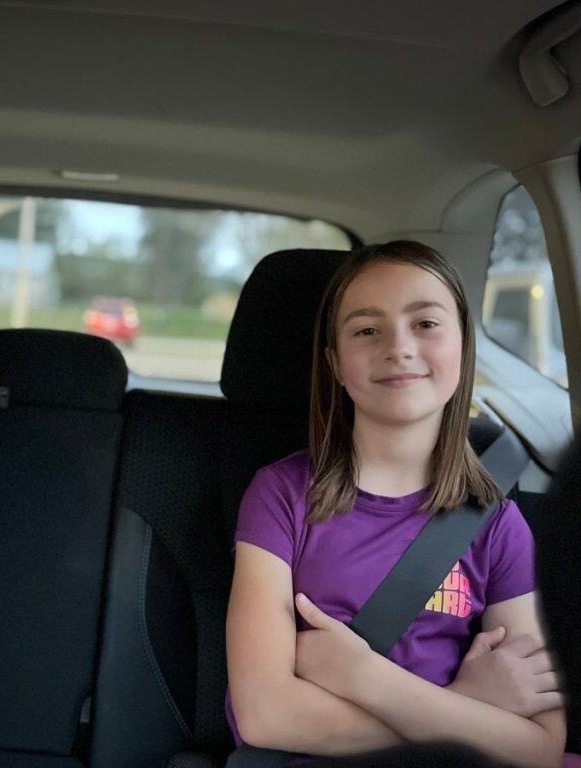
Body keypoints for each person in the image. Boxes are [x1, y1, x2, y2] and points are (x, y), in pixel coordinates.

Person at [224, 241, 565, 767]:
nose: (398, 347)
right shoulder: (281, 496)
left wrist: (359, 674)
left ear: (461, 346)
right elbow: (265, 715)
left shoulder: (498, 525)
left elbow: (540, 747)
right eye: (367, 330)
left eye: (425, 323)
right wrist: (470, 708)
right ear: (336, 363)